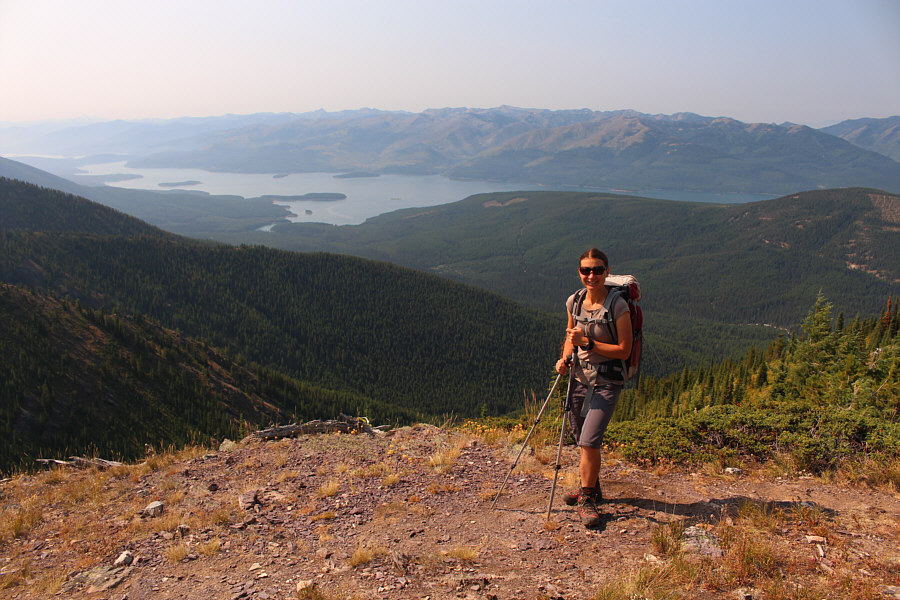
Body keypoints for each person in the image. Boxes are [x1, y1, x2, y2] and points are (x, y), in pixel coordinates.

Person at [555, 248, 632, 528]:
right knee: (579, 434)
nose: (592, 275)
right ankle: (592, 487)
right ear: (579, 273)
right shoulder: (574, 302)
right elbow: (570, 336)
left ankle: (587, 498)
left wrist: (588, 343)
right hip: (579, 377)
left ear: (607, 271)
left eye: (598, 270)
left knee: (589, 440)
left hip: (607, 380)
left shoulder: (617, 306)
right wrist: (564, 359)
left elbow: (624, 350)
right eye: (586, 270)